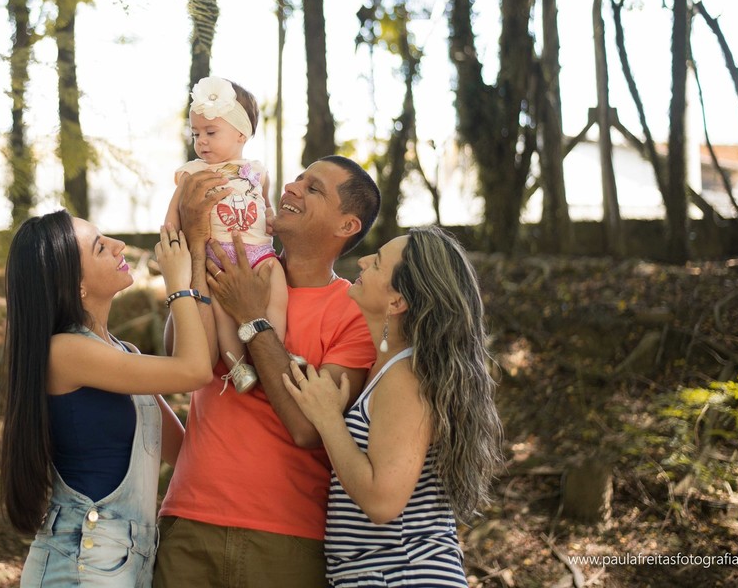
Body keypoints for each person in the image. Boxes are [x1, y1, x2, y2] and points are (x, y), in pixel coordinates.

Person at [154, 155, 382, 588]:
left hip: (287, 539)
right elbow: (181, 357)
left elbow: (309, 427)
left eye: (313, 189)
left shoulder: (354, 313)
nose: (291, 188)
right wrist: (198, 249)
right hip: (189, 520)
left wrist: (251, 317)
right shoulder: (228, 266)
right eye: (297, 179)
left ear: (347, 226)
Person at [0, 210, 214, 587]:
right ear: (76, 284)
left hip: (125, 564)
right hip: (82, 565)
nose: (118, 245)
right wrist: (178, 284)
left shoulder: (122, 353)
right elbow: (194, 370)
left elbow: (182, 451)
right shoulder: (66, 352)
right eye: (100, 247)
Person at [282, 227, 504, 587]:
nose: (365, 260)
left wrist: (328, 420)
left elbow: (382, 503)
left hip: (402, 575)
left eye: (378, 263)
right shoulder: (390, 368)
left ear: (397, 301)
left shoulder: (406, 376)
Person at [165, 75, 288, 394]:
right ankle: (237, 365)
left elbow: (265, 204)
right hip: (217, 254)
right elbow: (173, 216)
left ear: (241, 133)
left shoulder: (257, 171)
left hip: (260, 253)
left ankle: (278, 352)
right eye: (195, 134)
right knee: (221, 312)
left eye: (210, 132)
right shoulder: (193, 172)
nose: (201, 141)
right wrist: (176, 236)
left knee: (277, 293)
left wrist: (271, 218)